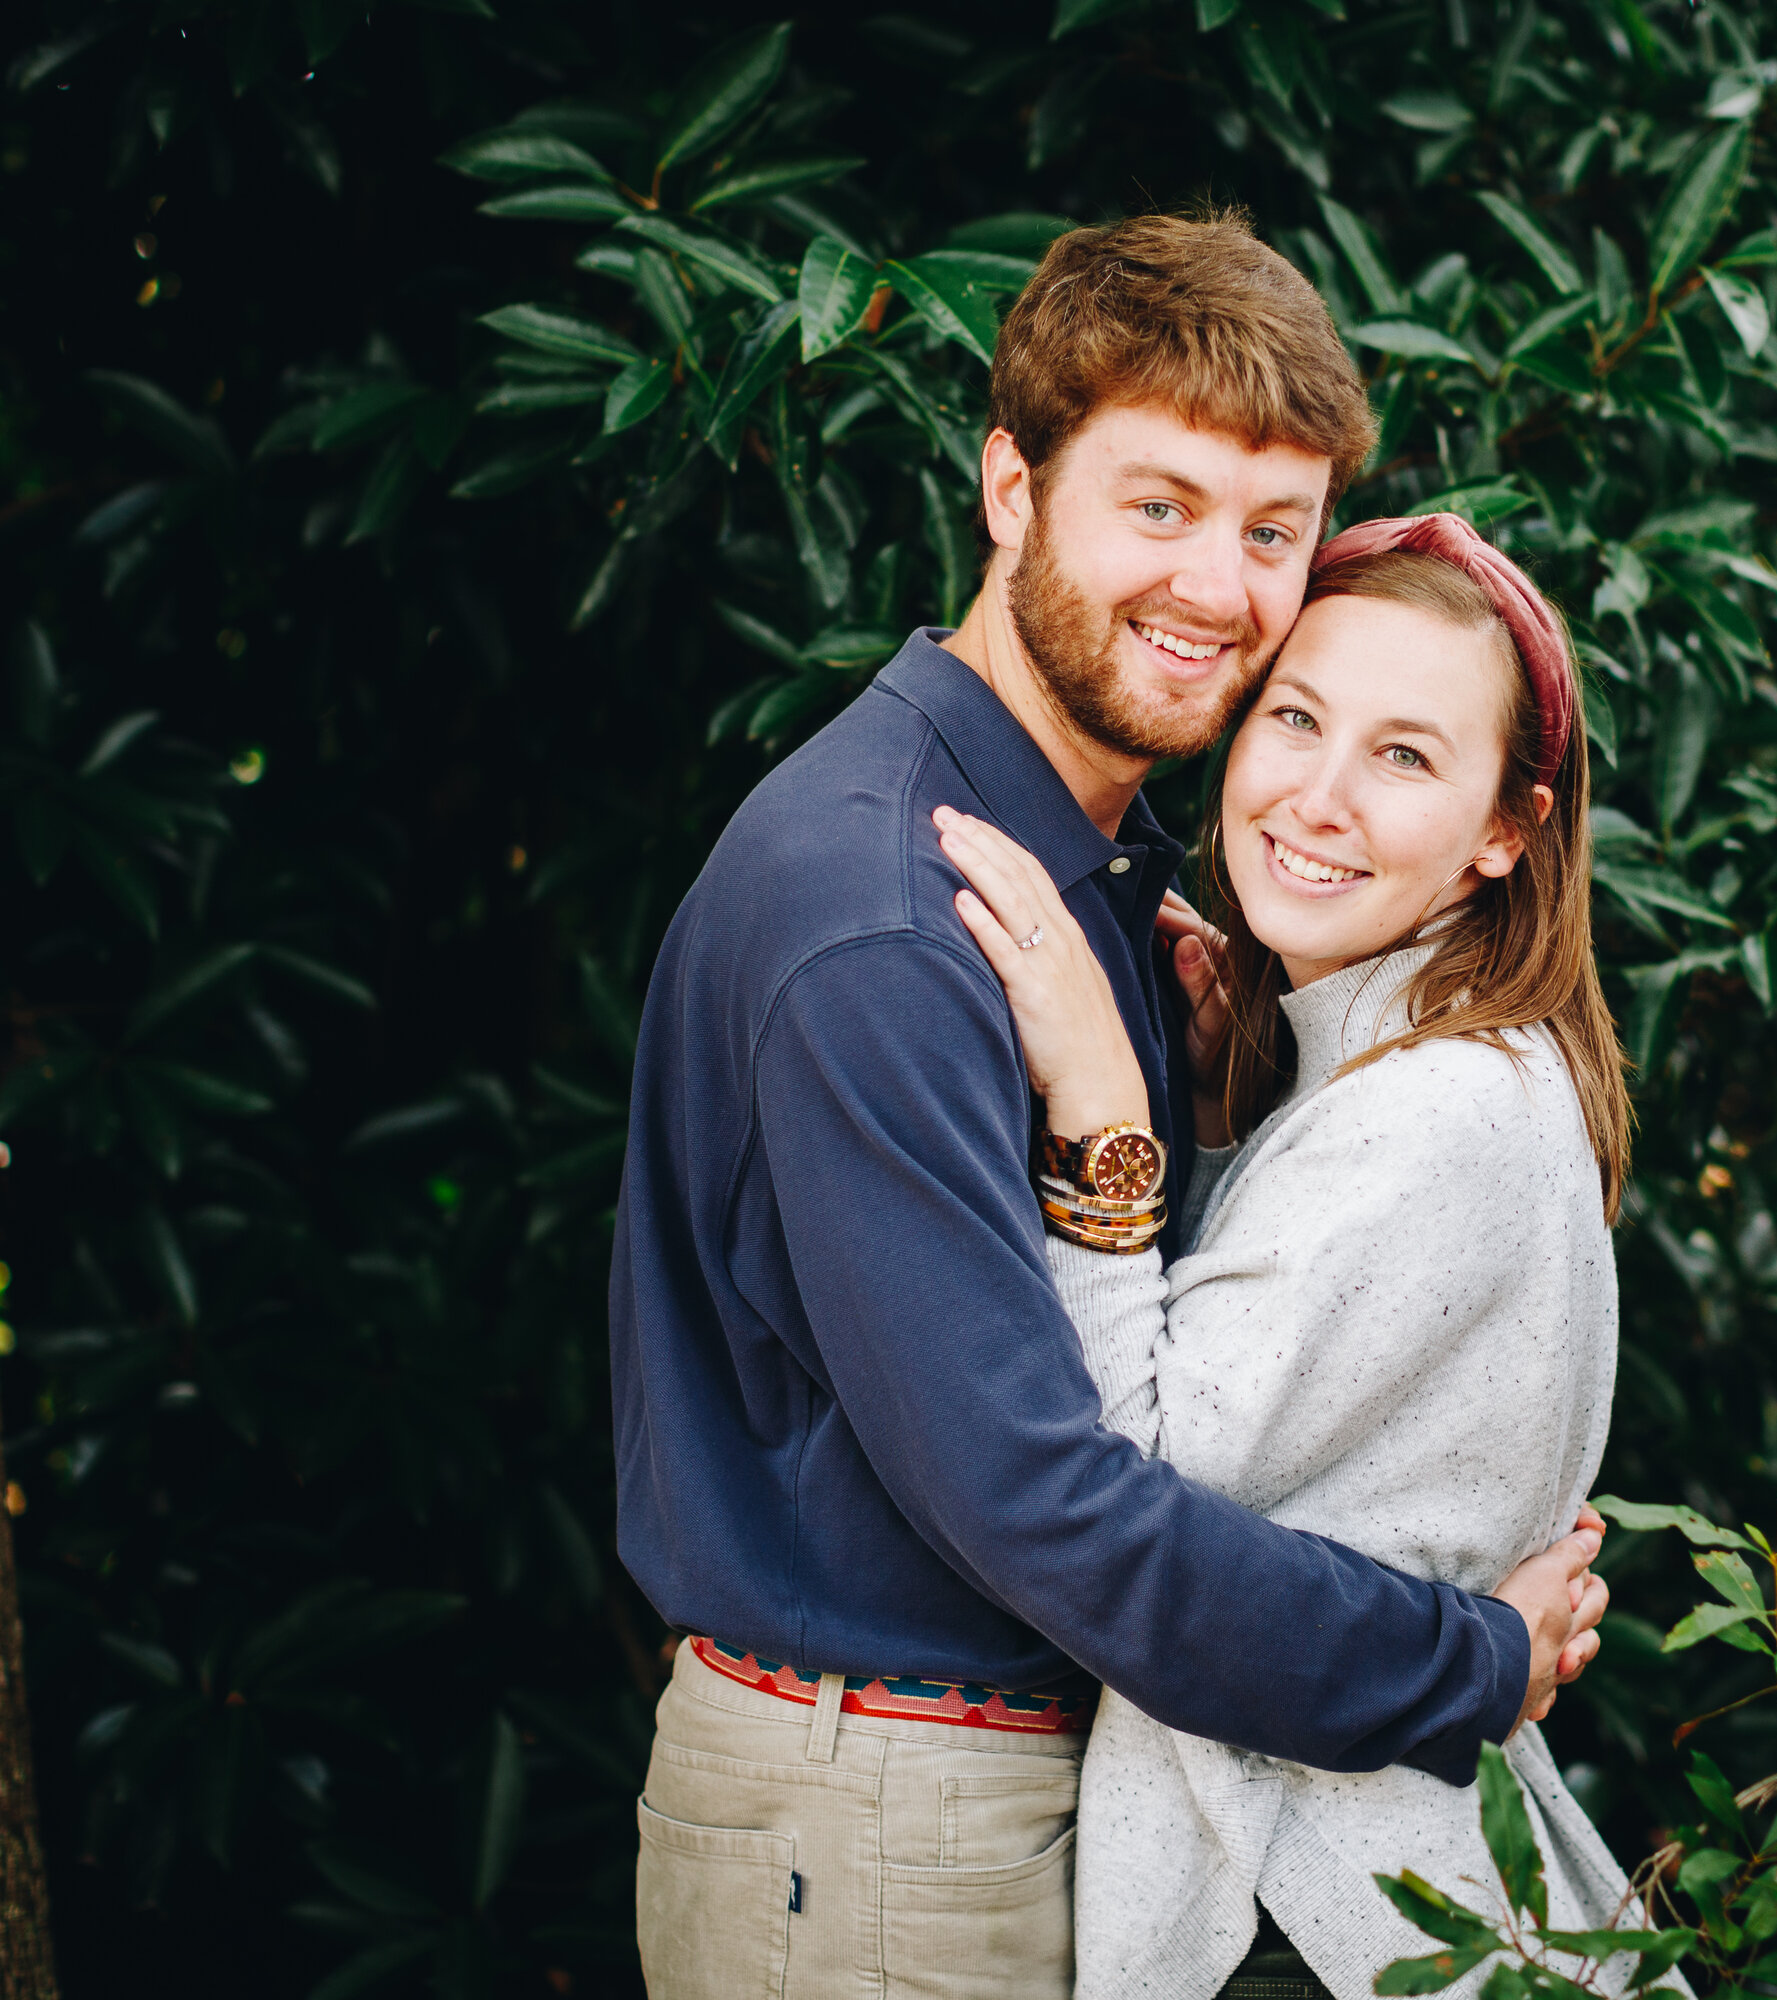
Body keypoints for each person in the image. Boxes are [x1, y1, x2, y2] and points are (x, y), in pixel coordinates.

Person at [609, 213, 1609, 2000]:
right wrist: (1461, 1663)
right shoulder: (889, 925)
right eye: (1158, 508)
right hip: (885, 1819)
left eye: (1272, 532)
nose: (1219, 589)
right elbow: (1053, 1506)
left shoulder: (1098, 890)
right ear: (1012, 489)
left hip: (1000, 1791)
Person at [937, 512, 1641, 2000]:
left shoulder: (1437, 1113)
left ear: (1504, 829)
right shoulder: (1428, 1073)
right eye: (1296, 719)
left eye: (1403, 757)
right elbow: (1297, 1447)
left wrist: (1104, 1119)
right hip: (1357, 1885)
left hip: (1311, 1915)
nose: (1319, 796)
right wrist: (1205, 1128)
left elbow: (1132, 1493)